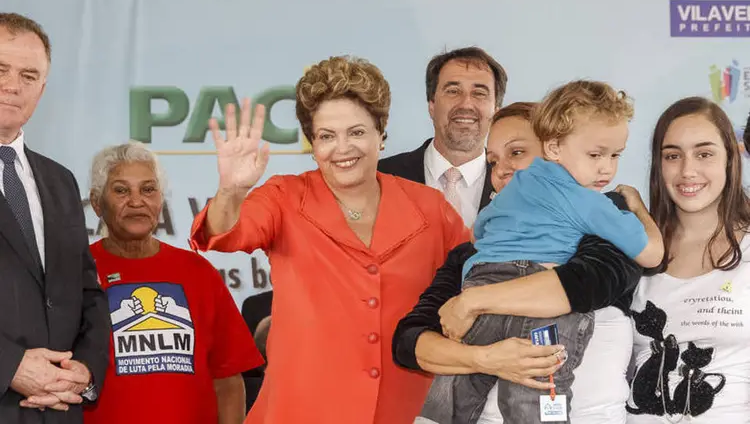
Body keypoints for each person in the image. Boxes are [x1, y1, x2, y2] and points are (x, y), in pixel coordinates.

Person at [188, 56, 470, 424]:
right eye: (326, 136)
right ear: (312, 143)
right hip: (298, 413)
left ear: (381, 133)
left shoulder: (431, 209)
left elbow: (477, 278)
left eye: (356, 132)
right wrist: (231, 191)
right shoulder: (284, 198)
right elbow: (225, 233)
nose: (342, 149)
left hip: (406, 411)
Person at [420, 81, 663, 424]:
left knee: (453, 387)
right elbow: (653, 255)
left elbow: (479, 231)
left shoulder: (514, 188)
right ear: (553, 147)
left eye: (615, 155)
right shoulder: (592, 204)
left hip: (480, 284)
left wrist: (474, 295)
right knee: (538, 387)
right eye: (596, 155)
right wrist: (637, 208)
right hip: (542, 303)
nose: (607, 168)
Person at [82, 142, 263, 424]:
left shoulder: (197, 271)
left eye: (148, 189)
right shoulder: (75, 272)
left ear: (160, 201)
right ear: (96, 203)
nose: (136, 201)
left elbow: (227, 379)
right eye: (120, 190)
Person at [0, 12, 110, 423]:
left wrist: (84, 371)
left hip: (59, 411)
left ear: (42, 89)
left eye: (29, 75)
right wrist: (9, 366)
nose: (13, 85)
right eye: (1, 69)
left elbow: (87, 293)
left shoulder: (60, 181)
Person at [627, 97, 750, 422]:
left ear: (730, 159)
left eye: (704, 153)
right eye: (672, 155)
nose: (687, 170)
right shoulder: (632, 249)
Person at [378, 47, 506, 226]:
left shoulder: (516, 187)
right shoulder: (380, 178)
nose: (466, 104)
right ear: (432, 105)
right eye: (453, 91)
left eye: (479, 93)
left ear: (496, 111)